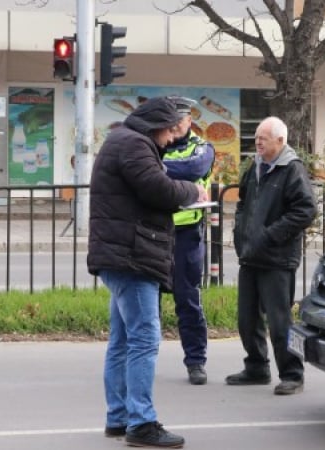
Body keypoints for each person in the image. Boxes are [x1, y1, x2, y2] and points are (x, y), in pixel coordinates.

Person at [87, 96, 207, 448]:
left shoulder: (123, 140)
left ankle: (118, 416)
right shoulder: (135, 145)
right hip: (131, 256)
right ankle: (141, 423)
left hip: (122, 253)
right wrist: (192, 191)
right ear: (156, 126)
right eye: (170, 132)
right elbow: (160, 189)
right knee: (143, 339)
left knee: (122, 340)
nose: (171, 139)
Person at [226, 116, 317, 396]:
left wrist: (269, 235)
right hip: (251, 255)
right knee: (247, 319)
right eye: (256, 137)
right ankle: (256, 367)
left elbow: (305, 211)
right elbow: (242, 202)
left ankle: (292, 373)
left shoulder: (292, 169)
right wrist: (240, 232)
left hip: (277, 258)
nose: (258, 142)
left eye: (263, 138)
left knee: (280, 322)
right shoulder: (255, 165)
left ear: (280, 140)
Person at [162, 96, 216, 385]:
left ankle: (195, 361)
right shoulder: (155, 144)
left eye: (178, 120)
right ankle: (141, 359)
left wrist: (161, 172)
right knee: (147, 301)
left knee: (188, 300)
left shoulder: (202, 148)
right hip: (156, 233)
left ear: (189, 121)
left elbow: (193, 169)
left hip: (187, 236)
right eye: (169, 120)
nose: (173, 125)